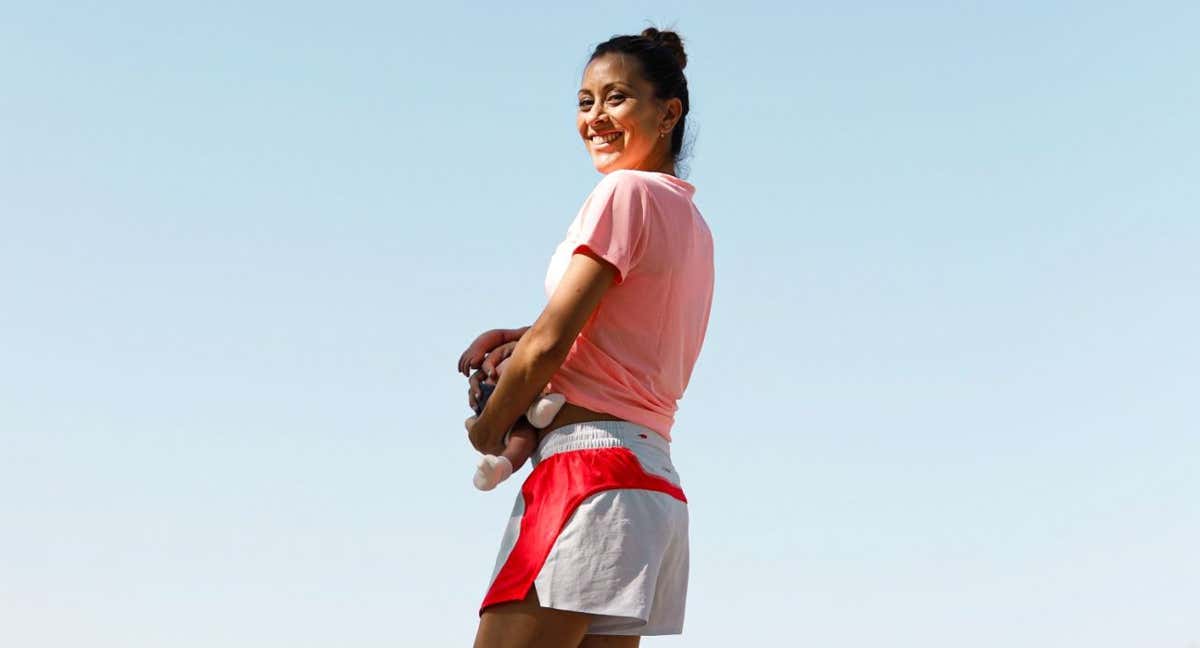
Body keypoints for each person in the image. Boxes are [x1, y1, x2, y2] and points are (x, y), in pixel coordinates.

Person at [461, 27, 714, 647]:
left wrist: (490, 427)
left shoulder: (623, 192)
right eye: (585, 102)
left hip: (586, 476)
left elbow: (550, 344)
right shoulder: (694, 223)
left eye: (616, 98)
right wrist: (526, 338)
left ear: (668, 112)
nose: (596, 117)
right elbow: (622, 340)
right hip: (650, 484)